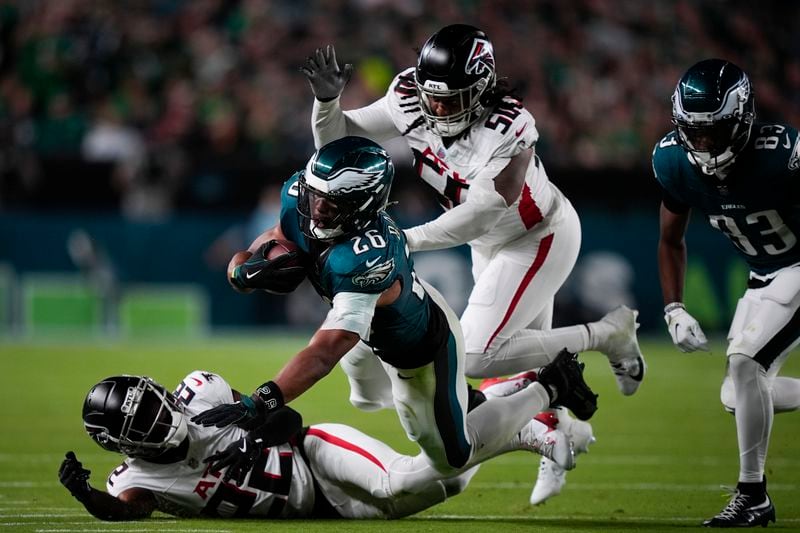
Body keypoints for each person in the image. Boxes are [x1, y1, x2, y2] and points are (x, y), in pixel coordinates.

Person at [299, 23, 643, 505]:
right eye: (432, 97)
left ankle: (608, 333)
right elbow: (339, 144)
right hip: (488, 246)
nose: (436, 109)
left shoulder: (510, 128)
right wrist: (327, 105)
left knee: (479, 355)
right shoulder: (410, 96)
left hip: (536, 235)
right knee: (514, 361)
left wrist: (407, 239)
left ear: (480, 89)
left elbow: (482, 212)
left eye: (450, 99)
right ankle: (553, 431)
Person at [191, 135, 599, 497]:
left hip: (418, 347)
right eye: (314, 197)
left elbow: (325, 351)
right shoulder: (302, 194)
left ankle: (549, 386)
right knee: (365, 397)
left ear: (361, 205)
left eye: (329, 204)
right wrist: (243, 269)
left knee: (453, 461)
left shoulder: (365, 255)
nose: (315, 210)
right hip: (368, 328)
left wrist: (262, 400)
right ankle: (475, 402)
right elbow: (275, 238)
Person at [59, 370, 579, 520]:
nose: (159, 417)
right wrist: (88, 498)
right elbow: (125, 511)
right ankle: (513, 413)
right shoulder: (136, 479)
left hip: (312, 453)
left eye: (152, 403)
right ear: (121, 445)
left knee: (397, 477)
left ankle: (540, 390)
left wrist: (253, 437)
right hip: (321, 508)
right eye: (143, 422)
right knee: (454, 481)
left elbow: (287, 416)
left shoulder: (203, 395)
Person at [654, 58, 800, 528]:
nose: (702, 143)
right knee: (737, 394)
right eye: (694, 132)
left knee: (745, 363)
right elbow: (670, 239)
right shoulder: (674, 162)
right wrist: (674, 308)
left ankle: (753, 495)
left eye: (713, 132)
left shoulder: (782, 154)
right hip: (765, 275)